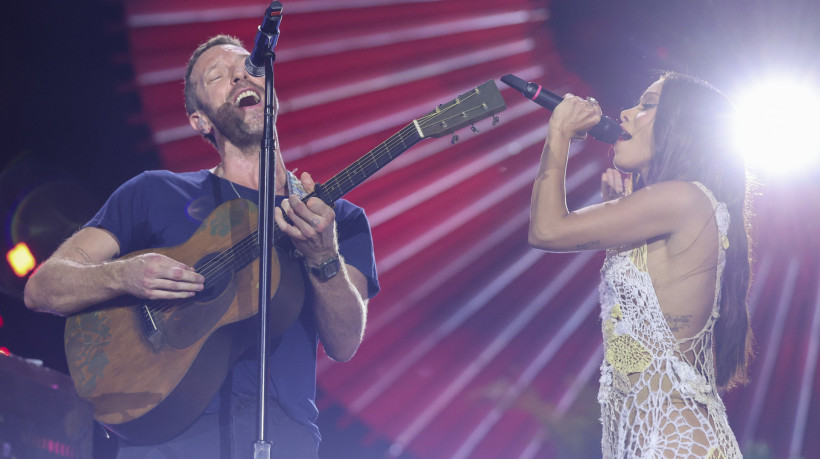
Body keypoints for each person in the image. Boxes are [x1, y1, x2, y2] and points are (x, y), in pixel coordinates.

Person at [23, 34, 379, 458]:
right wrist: (124, 275)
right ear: (199, 120)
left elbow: (344, 343)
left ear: (271, 92)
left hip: (287, 439)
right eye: (218, 76)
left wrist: (323, 257)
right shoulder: (155, 193)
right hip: (165, 440)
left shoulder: (337, 219)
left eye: (249, 68)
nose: (239, 77)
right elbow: (42, 287)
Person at [528, 72, 752, 458]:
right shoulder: (671, 205)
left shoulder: (684, 197)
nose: (626, 113)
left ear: (680, 126)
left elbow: (546, 231)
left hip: (676, 445)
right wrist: (622, 230)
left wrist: (559, 133)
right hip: (649, 442)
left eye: (647, 105)